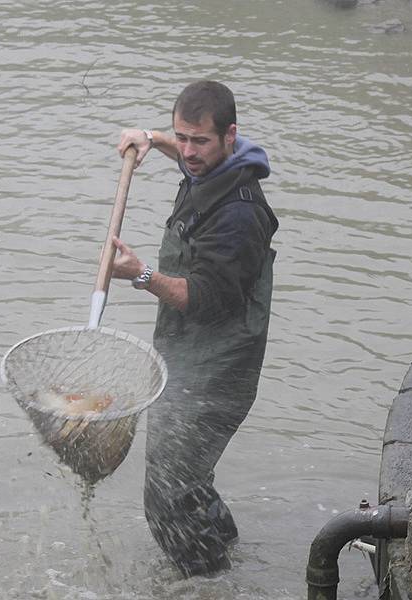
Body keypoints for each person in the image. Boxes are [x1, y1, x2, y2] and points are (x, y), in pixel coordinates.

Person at [112, 80, 278, 578]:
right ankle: (228, 560)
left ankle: (205, 583)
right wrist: (151, 137)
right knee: (188, 481)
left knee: (166, 496)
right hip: (189, 359)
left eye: (199, 141)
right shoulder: (221, 161)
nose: (188, 152)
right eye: (181, 138)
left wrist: (141, 275)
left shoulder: (239, 215)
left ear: (231, 136)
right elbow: (187, 154)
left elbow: (202, 299)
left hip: (218, 373)